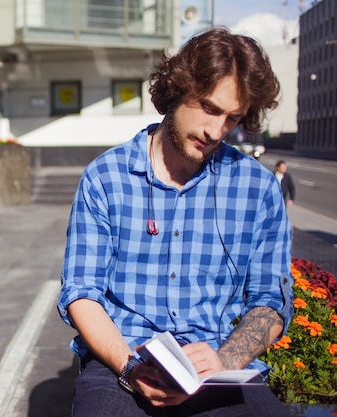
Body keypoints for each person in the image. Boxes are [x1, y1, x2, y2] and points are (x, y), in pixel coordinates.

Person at [58, 27, 293, 417]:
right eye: (209, 108)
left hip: (218, 362)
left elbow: (271, 299)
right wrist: (130, 368)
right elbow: (82, 292)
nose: (216, 131)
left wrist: (226, 358)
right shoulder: (106, 177)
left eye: (232, 117)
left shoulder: (259, 188)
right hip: (126, 356)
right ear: (177, 89)